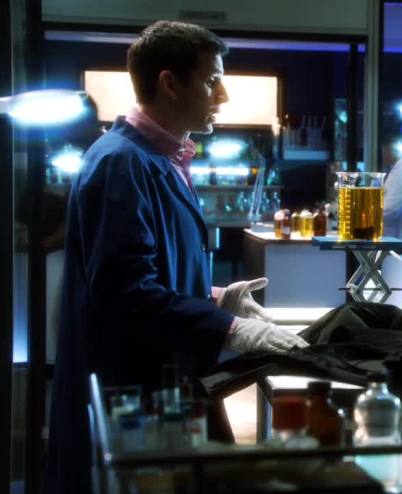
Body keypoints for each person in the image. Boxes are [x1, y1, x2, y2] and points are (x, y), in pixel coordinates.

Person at [45, 21, 307, 493]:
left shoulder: (160, 158)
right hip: (133, 392)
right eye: (212, 81)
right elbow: (125, 292)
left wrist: (218, 297)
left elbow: (152, 270)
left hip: (164, 383)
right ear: (169, 83)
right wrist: (232, 329)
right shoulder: (121, 162)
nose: (223, 95)